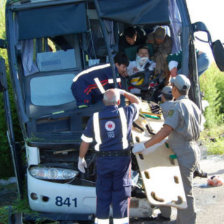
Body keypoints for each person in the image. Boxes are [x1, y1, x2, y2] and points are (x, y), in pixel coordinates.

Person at [132, 74, 204, 224]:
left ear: (175, 89)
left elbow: (166, 130)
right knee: (182, 188)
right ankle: (180, 220)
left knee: (185, 192)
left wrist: (144, 145)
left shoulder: (177, 107)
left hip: (183, 150)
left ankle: (188, 222)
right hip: (192, 147)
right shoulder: (193, 105)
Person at [78, 88, 141, 224]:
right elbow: (137, 102)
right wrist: (123, 92)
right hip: (122, 162)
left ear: (103, 102)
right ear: (118, 102)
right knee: (121, 195)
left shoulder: (94, 118)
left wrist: (81, 158)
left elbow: (85, 142)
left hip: (103, 161)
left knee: (103, 195)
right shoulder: (127, 113)